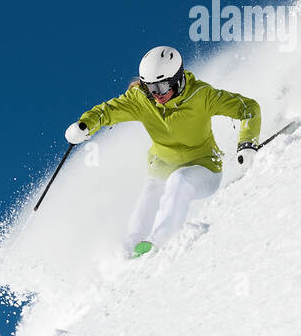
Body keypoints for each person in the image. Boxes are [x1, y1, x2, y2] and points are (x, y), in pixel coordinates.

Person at [65, 46, 261, 257]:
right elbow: (107, 111)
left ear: (178, 79)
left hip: (205, 168)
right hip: (162, 167)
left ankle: (159, 242)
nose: (157, 94)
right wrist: (85, 125)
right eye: (151, 87)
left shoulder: (201, 95)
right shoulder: (141, 100)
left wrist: (247, 143)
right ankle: (129, 250)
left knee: (179, 180)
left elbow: (248, 108)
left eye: (163, 85)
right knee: (153, 189)